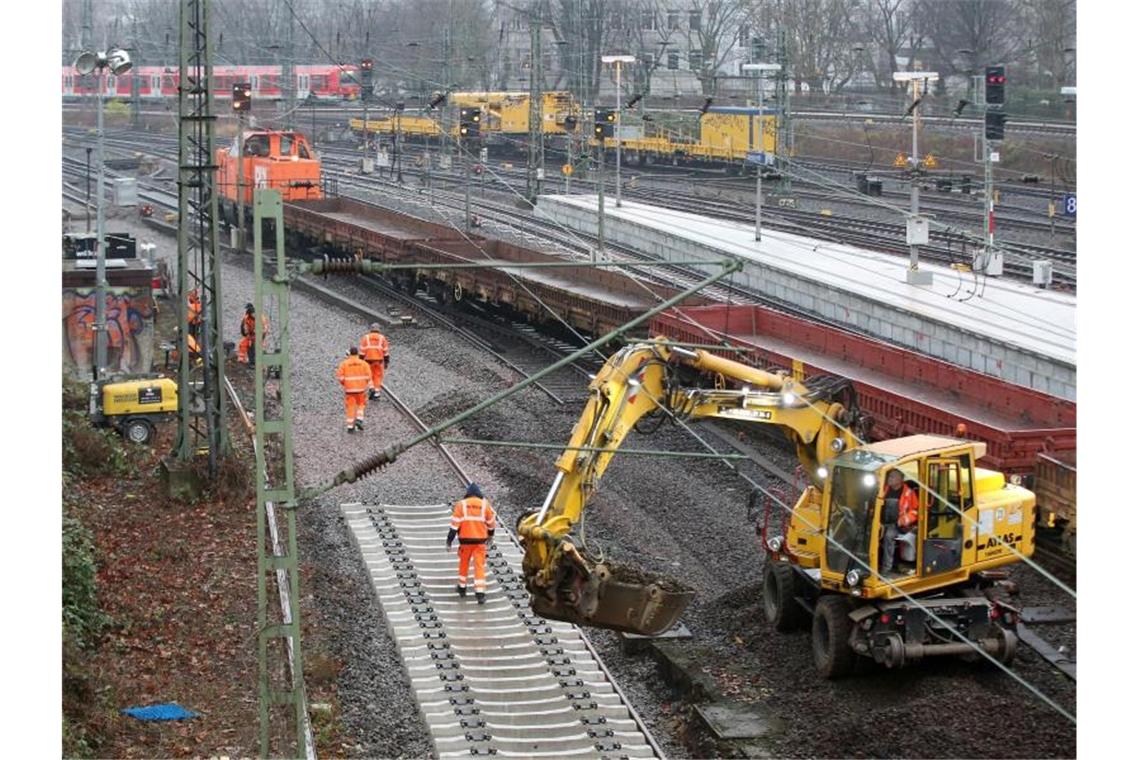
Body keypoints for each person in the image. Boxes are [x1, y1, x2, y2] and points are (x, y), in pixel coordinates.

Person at [446, 483, 497, 604]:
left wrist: (449, 541)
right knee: (479, 565)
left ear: (468, 494)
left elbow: (454, 526)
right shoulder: (485, 505)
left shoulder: (461, 505)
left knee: (464, 563)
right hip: (480, 542)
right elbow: (491, 523)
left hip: (465, 541)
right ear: (479, 494)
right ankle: (480, 594)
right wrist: (490, 536)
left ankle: (462, 588)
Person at [879, 468, 918, 575]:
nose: (889, 479)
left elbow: (915, 511)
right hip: (882, 522)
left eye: (892, 476)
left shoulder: (909, 493)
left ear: (900, 479)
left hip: (898, 525)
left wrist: (902, 521)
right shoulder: (884, 489)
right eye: (889, 476)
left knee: (888, 536)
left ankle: (886, 569)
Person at [335, 346, 372, 433]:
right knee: (361, 405)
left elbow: (340, 377)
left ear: (350, 354)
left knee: (350, 407)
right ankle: (359, 419)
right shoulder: (364, 364)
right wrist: (363, 384)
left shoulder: (344, 364)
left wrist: (346, 384)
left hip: (349, 390)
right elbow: (369, 377)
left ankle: (350, 427)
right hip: (361, 390)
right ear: (357, 353)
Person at [359, 322, 390, 400]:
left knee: (369, 375)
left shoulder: (365, 338)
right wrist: (386, 362)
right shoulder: (382, 338)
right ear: (379, 330)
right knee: (377, 377)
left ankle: (371, 388)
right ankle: (376, 393)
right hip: (379, 361)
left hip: (368, 360)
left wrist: (360, 361)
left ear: (371, 329)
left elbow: (362, 352)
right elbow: (386, 352)